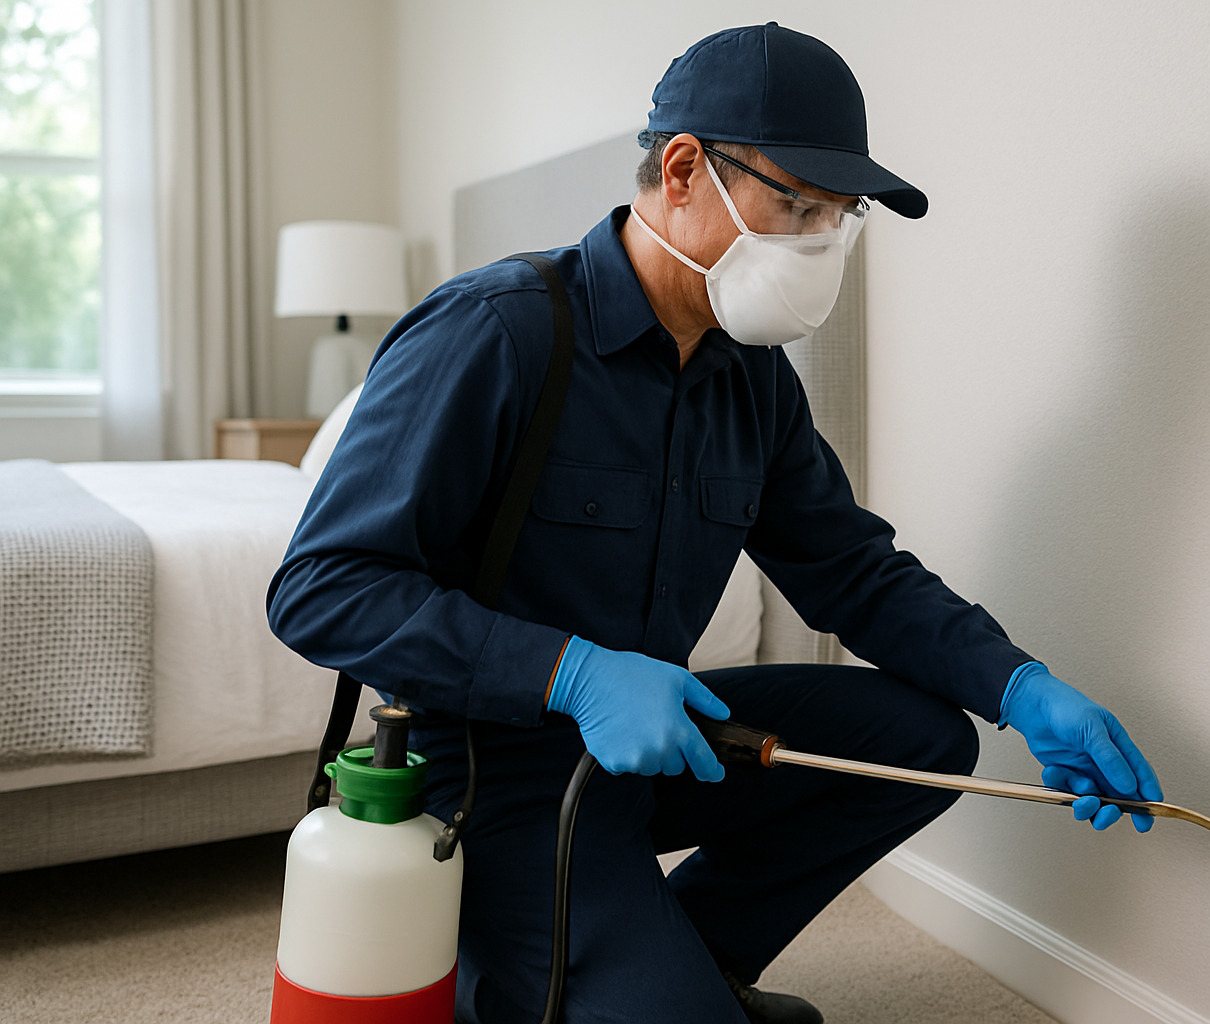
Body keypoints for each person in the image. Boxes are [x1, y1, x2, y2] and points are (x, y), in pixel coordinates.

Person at [267, 22, 1163, 1024]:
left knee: (922, 736)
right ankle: (551, 973)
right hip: (495, 775)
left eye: (840, 214)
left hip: (654, 745)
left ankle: (678, 960)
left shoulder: (753, 381)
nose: (820, 239)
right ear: (685, 170)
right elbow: (323, 588)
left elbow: (852, 573)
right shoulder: (499, 331)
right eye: (797, 203)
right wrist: (573, 671)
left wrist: (1023, 687)